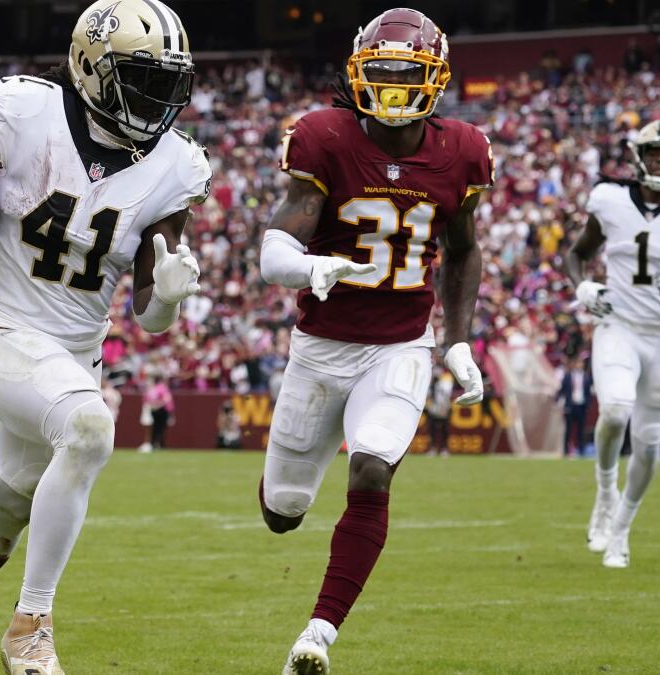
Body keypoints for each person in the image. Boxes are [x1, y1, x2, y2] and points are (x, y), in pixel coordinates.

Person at [0, 1, 209, 673]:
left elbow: (149, 307)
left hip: (71, 357)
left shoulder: (174, 166)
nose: (155, 96)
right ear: (92, 68)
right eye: (139, 76)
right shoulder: (27, 113)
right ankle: (30, 625)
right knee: (90, 429)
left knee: (14, 495)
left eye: (164, 80)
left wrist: (170, 302)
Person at [255, 9, 491, 672]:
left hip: (400, 344)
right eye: (380, 72)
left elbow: (464, 251)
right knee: (283, 512)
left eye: (405, 74)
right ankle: (279, 492)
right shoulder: (324, 137)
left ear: (435, 79)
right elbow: (276, 245)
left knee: (372, 467)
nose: (391, 87)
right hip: (321, 346)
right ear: (358, 74)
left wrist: (459, 341)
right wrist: (312, 266)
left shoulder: (462, 150)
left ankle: (317, 634)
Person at [566, 118, 660, 569]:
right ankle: (604, 490)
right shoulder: (610, 199)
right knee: (614, 409)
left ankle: (621, 531)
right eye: (654, 152)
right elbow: (577, 253)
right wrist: (583, 287)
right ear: (639, 155)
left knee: (650, 442)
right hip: (618, 325)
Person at [557, 356, 592, 457]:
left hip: (581, 405)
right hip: (571, 405)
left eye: (581, 363)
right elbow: (562, 390)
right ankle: (566, 450)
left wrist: (588, 404)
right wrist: (557, 400)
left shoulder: (586, 377)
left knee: (581, 430)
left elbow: (588, 392)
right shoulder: (568, 376)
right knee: (568, 429)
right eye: (577, 363)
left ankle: (581, 450)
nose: (579, 365)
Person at [426, 366, 454, 456]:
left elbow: (446, 395)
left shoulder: (445, 383)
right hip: (433, 409)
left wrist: (445, 408)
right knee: (432, 430)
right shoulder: (430, 385)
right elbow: (428, 396)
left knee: (444, 430)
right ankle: (433, 448)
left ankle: (444, 448)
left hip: (443, 408)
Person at [143, 374, 173, 450]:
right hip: (162, 410)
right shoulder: (162, 388)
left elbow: (146, 400)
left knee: (156, 428)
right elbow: (167, 400)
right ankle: (159, 444)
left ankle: (155, 444)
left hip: (154, 410)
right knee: (160, 428)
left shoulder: (152, 388)